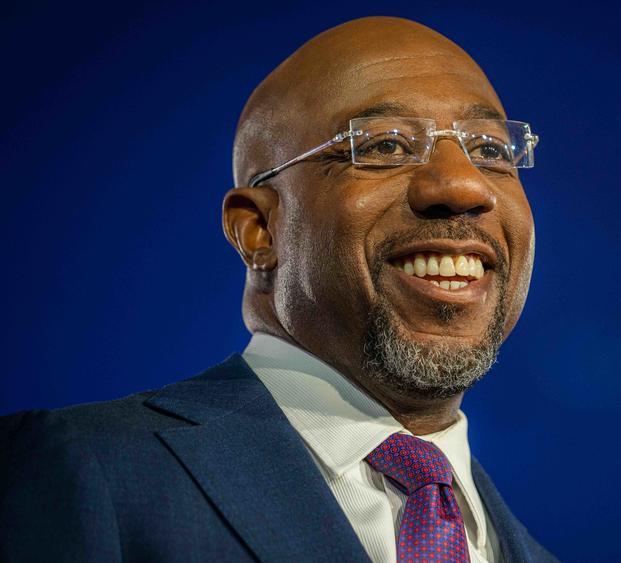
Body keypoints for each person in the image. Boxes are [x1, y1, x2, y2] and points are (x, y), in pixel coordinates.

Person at [0, 16, 555, 562]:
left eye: (490, 151)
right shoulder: (88, 470)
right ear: (259, 230)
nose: (463, 185)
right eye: (385, 146)